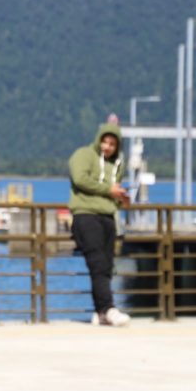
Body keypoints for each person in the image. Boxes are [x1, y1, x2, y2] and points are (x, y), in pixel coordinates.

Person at [68, 122, 131, 327]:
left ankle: (100, 311)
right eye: (104, 141)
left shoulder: (118, 164)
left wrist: (121, 198)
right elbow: (80, 179)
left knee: (106, 265)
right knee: (97, 262)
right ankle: (108, 308)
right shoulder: (83, 155)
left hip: (108, 216)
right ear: (98, 140)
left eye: (112, 143)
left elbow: (113, 190)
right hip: (86, 214)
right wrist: (108, 190)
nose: (107, 146)